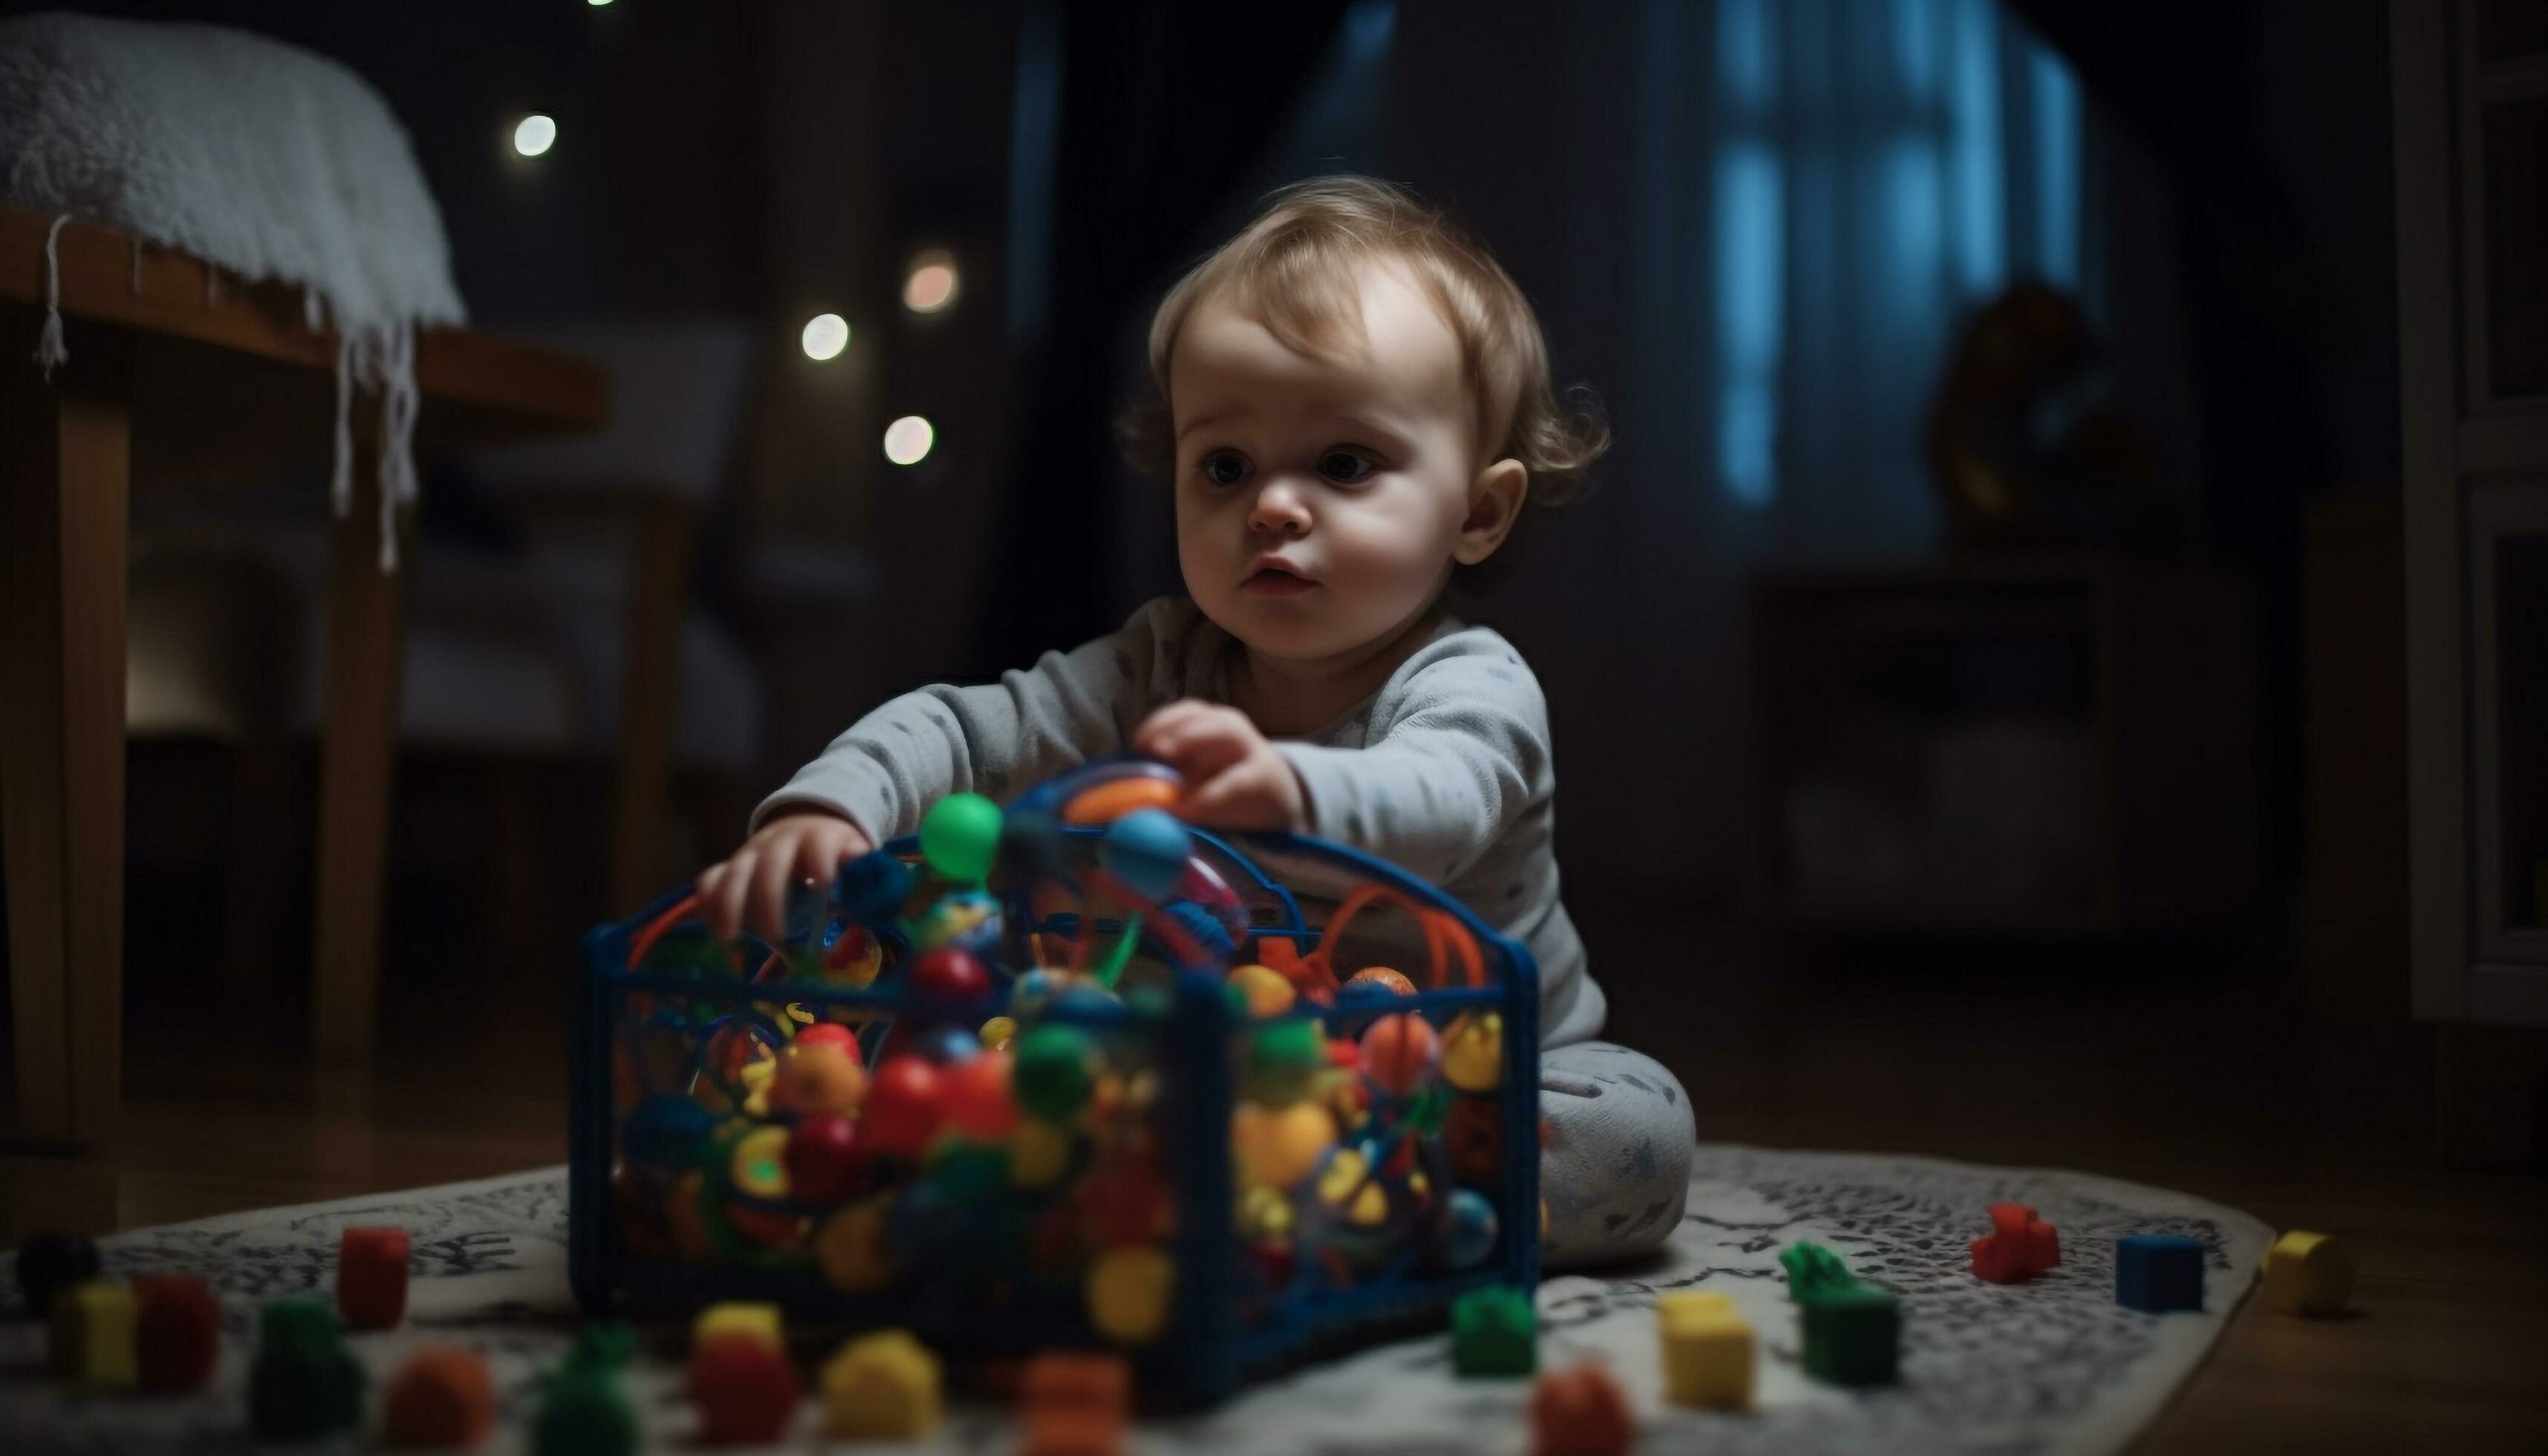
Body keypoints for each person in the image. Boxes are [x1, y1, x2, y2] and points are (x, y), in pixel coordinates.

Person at [698, 175, 1693, 1266]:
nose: (1269, 504)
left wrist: (1293, 789)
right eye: (1222, 466)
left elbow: (1439, 806)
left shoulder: (1470, 682)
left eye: (1343, 463)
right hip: (1230, 1068)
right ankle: (1242, 1200)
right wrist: (830, 804)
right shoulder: (1158, 666)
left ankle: (1358, 1194)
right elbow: (970, 727)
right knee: (1003, 1045)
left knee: (1638, 1125)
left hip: (1476, 1071)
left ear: (1478, 512)